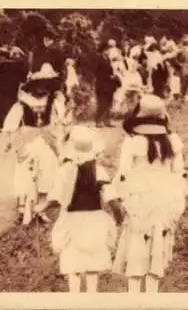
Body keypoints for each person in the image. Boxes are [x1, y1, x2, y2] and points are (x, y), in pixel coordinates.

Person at [112, 95, 188, 293]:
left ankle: (134, 296)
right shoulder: (172, 141)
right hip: (166, 196)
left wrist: (120, 198)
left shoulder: (133, 142)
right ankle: (152, 296)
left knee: (137, 241)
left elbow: (124, 173)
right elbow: (179, 173)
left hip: (139, 196)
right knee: (158, 241)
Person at [43, 125, 120, 293]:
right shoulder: (98, 171)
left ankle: (75, 297)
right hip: (94, 218)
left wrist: (42, 207)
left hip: (72, 218)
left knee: (72, 259)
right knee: (93, 260)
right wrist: (118, 216)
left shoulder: (65, 170)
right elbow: (111, 197)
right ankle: (91, 297)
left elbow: (55, 198)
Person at [3, 62, 70, 225]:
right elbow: (10, 123)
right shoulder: (22, 103)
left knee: (46, 172)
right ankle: (22, 208)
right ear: (33, 85)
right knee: (26, 171)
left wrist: (62, 128)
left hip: (46, 139)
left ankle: (40, 208)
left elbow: (59, 120)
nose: (42, 88)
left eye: (45, 85)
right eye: (39, 84)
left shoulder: (52, 101)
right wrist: (9, 141)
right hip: (28, 140)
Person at [95, 43, 121, 128]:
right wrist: (109, 76)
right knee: (102, 103)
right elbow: (97, 73)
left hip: (109, 85)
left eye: (109, 49)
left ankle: (107, 121)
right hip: (101, 84)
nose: (108, 51)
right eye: (107, 50)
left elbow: (110, 71)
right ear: (103, 51)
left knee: (109, 103)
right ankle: (98, 121)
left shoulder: (108, 59)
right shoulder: (99, 59)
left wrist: (113, 76)